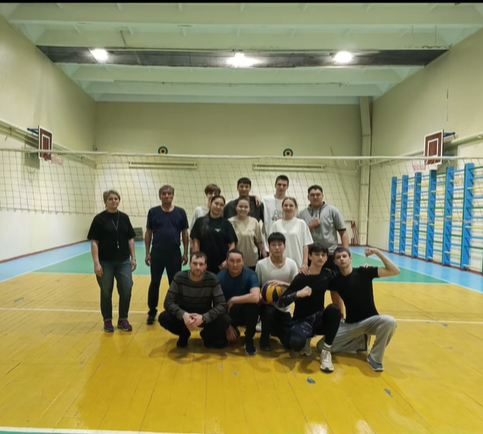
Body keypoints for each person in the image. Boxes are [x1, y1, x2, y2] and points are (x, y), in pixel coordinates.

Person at [320, 247, 400, 372]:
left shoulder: (364, 272)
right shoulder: (335, 280)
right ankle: (360, 343)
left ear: (350, 259)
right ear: (335, 262)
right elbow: (321, 286)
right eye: (338, 257)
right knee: (321, 346)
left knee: (390, 322)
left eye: (344, 256)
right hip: (351, 324)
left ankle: (375, 358)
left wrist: (377, 252)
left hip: (371, 321)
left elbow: (395, 271)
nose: (342, 259)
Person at [278, 243, 341, 372]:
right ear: (310, 256)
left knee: (335, 310)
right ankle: (305, 338)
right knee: (295, 344)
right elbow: (281, 302)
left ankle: (326, 351)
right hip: (302, 321)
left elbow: (346, 277)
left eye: (323, 255)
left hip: (319, 319)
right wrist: (298, 294)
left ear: (326, 258)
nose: (320, 257)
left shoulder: (328, 274)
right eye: (317, 254)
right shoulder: (301, 277)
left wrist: (364, 268)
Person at [87, 189, 137, 333]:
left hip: (123, 261)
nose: (114, 201)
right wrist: (96, 263)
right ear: (105, 201)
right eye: (110, 199)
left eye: (116, 199)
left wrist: (133, 257)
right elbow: (94, 242)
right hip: (105, 262)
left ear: (119, 201)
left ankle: (123, 319)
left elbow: (130, 239)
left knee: (126, 289)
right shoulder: (99, 219)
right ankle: (107, 320)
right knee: (106, 292)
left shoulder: (124, 218)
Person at [158, 252, 230, 348]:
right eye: (195, 263)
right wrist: (183, 315)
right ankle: (184, 333)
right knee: (164, 317)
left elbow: (221, 305)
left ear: (206, 266)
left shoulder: (212, 279)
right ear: (189, 264)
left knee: (225, 319)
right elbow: (168, 302)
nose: (197, 267)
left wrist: (204, 317)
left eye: (201, 264)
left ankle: (206, 334)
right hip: (184, 315)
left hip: (204, 314)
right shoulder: (179, 277)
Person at [145, 185, 189, 325]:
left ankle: (175, 311)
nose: (167, 196)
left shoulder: (181, 212)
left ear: (173, 195)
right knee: (154, 282)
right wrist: (147, 252)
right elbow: (148, 232)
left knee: (174, 283)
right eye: (164, 193)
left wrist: (185, 252)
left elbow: (185, 233)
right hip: (157, 253)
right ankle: (152, 312)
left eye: (169, 193)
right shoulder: (153, 212)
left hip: (174, 253)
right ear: (160, 196)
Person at [255, 232, 298, 351]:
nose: (277, 247)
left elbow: (297, 287)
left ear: (285, 246)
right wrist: (263, 300)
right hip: (266, 305)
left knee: (290, 344)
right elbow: (257, 286)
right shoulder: (261, 264)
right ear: (268, 247)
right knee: (269, 312)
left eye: (280, 244)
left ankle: (274, 329)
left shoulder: (291, 264)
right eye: (273, 245)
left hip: (284, 307)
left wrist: (283, 283)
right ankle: (264, 337)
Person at [217, 250, 260, 355]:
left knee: (252, 305)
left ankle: (249, 339)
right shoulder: (220, 277)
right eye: (231, 261)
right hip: (228, 314)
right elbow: (216, 304)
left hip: (246, 314)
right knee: (218, 342)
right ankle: (233, 329)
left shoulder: (251, 274)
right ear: (227, 262)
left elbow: (255, 297)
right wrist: (227, 326)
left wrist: (233, 300)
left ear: (243, 262)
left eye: (238, 261)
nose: (235, 264)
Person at [298, 185, 349, 271]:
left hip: (330, 254)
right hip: (310, 255)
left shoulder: (333, 211)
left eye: (318, 194)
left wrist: (346, 252)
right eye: (312, 195)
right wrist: (311, 225)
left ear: (322, 196)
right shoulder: (301, 214)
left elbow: (343, 232)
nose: (315, 197)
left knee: (332, 278)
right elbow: (299, 234)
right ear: (308, 197)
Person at [191, 195, 238, 274]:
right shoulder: (200, 221)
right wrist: (199, 262)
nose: (218, 207)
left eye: (221, 205)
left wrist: (227, 261)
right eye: (216, 203)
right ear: (210, 203)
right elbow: (196, 242)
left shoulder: (226, 223)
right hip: (204, 264)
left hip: (222, 265)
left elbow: (232, 244)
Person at [270, 197, 313, 273]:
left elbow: (305, 245)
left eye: (291, 205)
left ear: (295, 208)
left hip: (298, 263)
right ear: (282, 207)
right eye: (285, 205)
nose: (288, 207)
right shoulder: (276, 224)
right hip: (280, 264)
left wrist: (305, 263)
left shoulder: (301, 223)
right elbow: (271, 245)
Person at [229, 197, 267, 270]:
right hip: (235, 262)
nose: (243, 209)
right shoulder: (229, 222)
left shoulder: (254, 222)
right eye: (240, 206)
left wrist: (265, 256)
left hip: (252, 261)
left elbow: (259, 242)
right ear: (236, 208)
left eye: (246, 207)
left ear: (249, 209)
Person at [262, 175, 289, 250]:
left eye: (284, 185)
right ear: (275, 185)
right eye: (279, 184)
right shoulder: (266, 200)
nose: (281, 187)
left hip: (284, 241)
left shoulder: (289, 202)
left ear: (287, 187)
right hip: (267, 241)